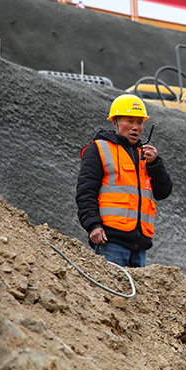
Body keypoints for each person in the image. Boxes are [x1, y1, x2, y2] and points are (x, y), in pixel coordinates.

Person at [76, 94, 173, 267]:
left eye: (140, 122)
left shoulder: (146, 156)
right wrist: (93, 225)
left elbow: (163, 192)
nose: (136, 127)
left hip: (139, 244)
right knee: (111, 292)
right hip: (110, 241)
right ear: (115, 122)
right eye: (130, 121)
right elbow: (86, 192)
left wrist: (156, 165)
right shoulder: (99, 149)